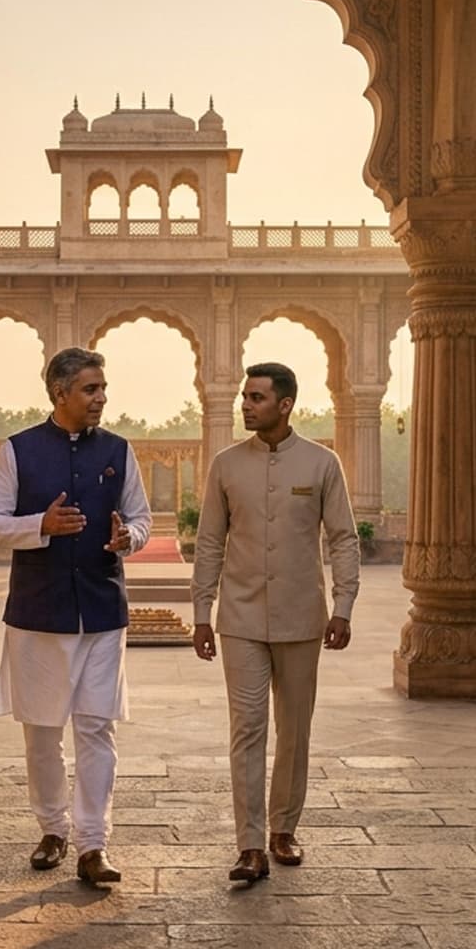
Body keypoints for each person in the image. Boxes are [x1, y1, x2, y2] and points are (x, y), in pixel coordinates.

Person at [0, 346, 152, 885]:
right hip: (38, 613)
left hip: (101, 611)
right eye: (90, 389)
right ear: (60, 393)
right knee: (42, 731)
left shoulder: (119, 451)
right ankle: (52, 830)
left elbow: (142, 519)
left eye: (103, 389)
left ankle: (93, 845)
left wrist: (129, 538)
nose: (101, 398)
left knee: (97, 728)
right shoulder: (18, 450)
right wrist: (40, 526)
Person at [190, 362, 359, 886]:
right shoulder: (226, 465)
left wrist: (343, 606)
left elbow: (343, 539)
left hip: (301, 618)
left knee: (294, 729)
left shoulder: (321, 463)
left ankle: (283, 829)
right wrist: (201, 613)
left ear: (284, 405)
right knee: (247, 728)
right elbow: (209, 542)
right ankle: (250, 844)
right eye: (245, 396)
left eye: (257, 398)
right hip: (240, 618)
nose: (246, 405)